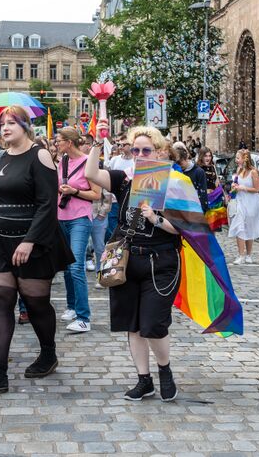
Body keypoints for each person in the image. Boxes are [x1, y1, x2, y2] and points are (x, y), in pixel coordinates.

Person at [0, 106, 73, 395]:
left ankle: (48, 352)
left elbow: (48, 204)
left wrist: (29, 241)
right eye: (2, 124)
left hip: (31, 240)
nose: (5, 128)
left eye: (11, 123)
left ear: (25, 126)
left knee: (36, 303)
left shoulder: (40, 155)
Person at [84, 122, 181, 402]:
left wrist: (156, 219)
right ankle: (144, 380)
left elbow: (188, 227)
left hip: (161, 262)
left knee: (152, 324)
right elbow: (90, 173)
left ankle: (165, 370)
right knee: (133, 324)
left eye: (146, 149)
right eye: (134, 149)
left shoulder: (174, 182)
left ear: (159, 151)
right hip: (127, 260)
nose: (139, 153)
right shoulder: (124, 179)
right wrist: (96, 143)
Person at [56, 127, 100, 334]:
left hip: (80, 219)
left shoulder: (87, 162)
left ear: (69, 142)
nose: (56, 143)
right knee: (66, 265)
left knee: (76, 266)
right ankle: (72, 307)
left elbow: (96, 194)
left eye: (59, 140)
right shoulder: (62, 162)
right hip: (61, 217)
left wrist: (74, 191)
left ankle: (84, 317)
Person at [228, 149, 259, 264]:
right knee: (239, 225)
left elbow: (256, 189)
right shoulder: (238, 170)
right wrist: (234, 186)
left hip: (251, 202)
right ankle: (241, 255)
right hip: (240, 201)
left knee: (249, 228)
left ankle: (249, 255)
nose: (236, 160)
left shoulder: (253, 172)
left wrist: (243, 188)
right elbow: (236, 184)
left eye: (237, 158)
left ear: (244, 159)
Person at [174, 145, 208, 212]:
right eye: (176, 163)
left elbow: (203, 194)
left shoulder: (199, 172)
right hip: (179, 210)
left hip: (195, 211)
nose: (178, 166)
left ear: (186, 158)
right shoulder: (175, 171)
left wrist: (202, 211)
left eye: (180, 163)